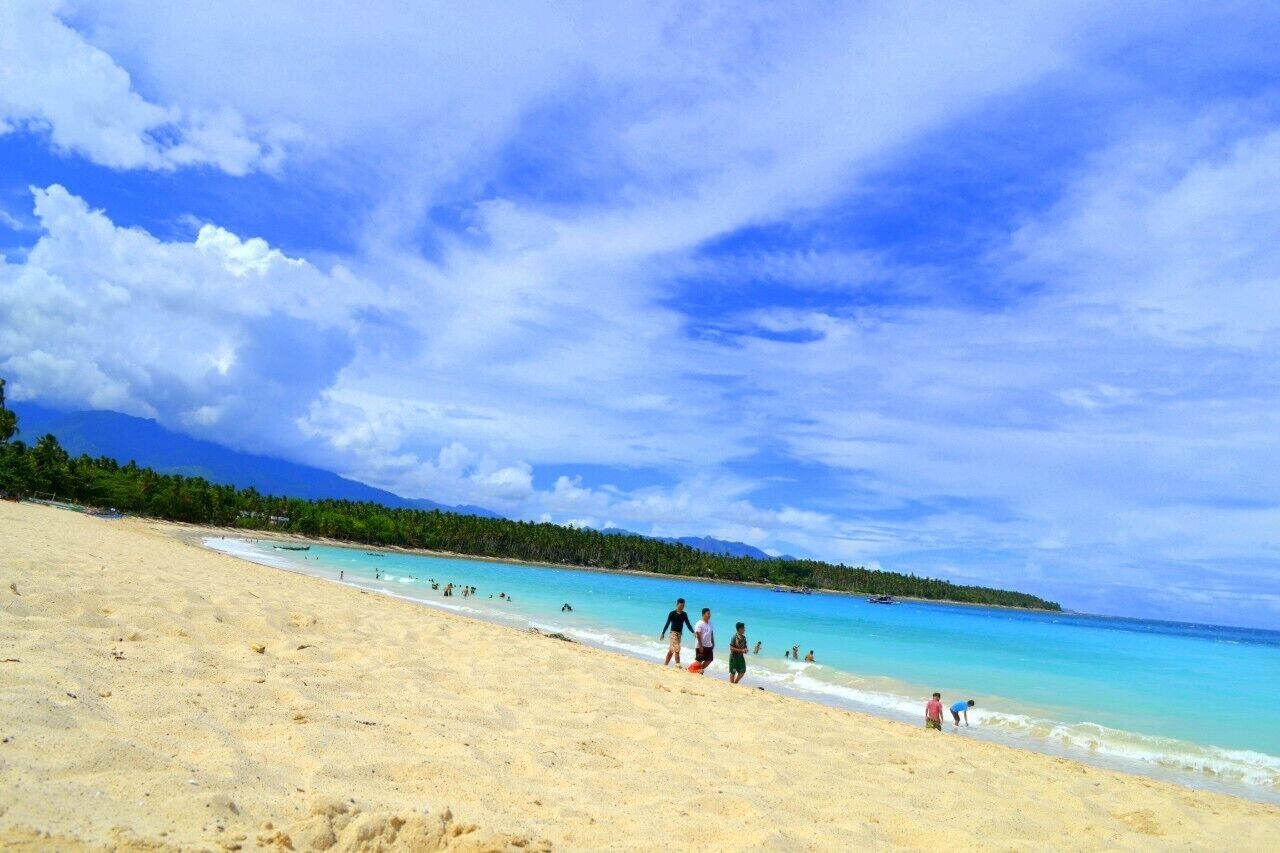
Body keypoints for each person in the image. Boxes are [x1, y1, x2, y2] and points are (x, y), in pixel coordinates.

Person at [660, 598, 696, 666]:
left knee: (671, 650)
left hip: (679, 634)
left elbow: (688, 624)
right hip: (673, 633)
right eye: (681, 605)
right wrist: (663, 633)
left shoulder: (684, 614)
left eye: (683, 605)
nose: (682, 607)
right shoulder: (672, 613)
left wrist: (693, 632)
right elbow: (667, 624)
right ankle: (677, 665)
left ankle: (665, 664)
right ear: (677, 604)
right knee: (677, 648)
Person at [693, 608, 714, 673]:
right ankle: (692, 669)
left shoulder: (710, 623)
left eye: (709, 613)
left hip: (708, 645)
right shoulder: (699, 623)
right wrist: (701, 646)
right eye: (708, 613)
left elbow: (711, 633)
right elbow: (698, 634)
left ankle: (699, 669)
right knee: (699, 660)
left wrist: (713, 642)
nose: (709, 615)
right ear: (703, 614)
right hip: (700, 645)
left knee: (709, 659)